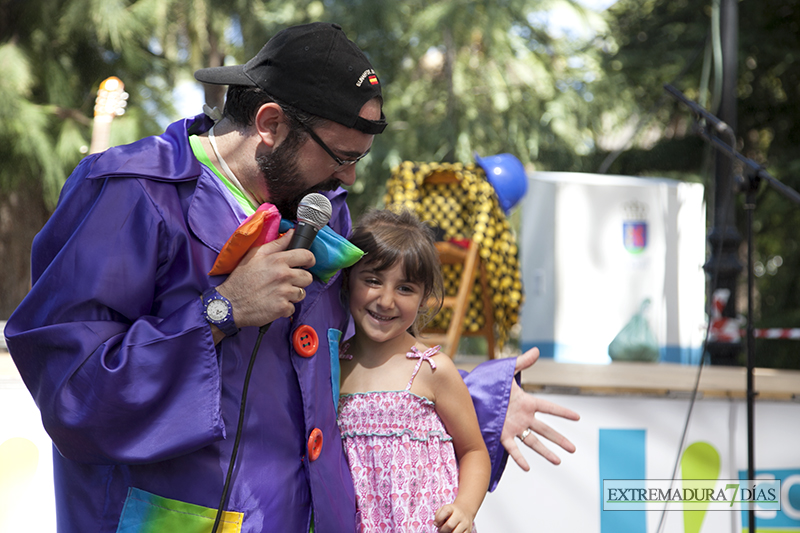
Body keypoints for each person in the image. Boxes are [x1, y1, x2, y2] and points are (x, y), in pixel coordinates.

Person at [3, 22, 578, 533]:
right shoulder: (131, 192)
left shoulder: (318, 208)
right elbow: (74, 393)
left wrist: (471, 406)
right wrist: (220, 311)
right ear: (271, 123)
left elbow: (343, 369)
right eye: (339, 154)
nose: (350, 178)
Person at [338, 209, 490, 533]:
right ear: (348, 280)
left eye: (405, 288)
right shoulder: (332, 365)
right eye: (373, 281)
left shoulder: (433, 369)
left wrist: (464, 508)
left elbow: (475, 450)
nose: (386, 300)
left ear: (424, 299)